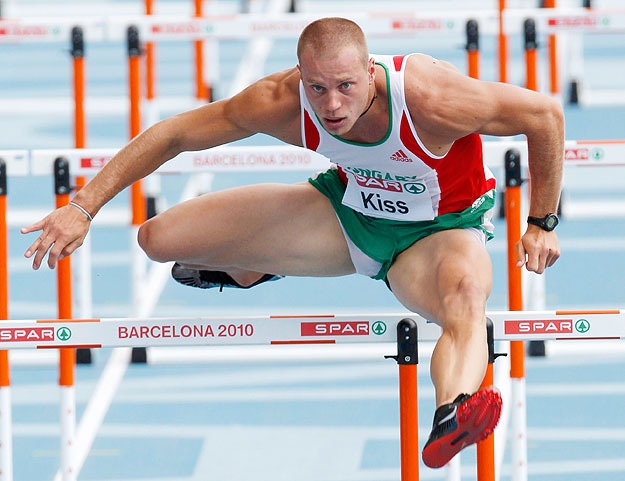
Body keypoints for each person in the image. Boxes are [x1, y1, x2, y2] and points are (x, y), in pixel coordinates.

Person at [22, 17, 563, 468]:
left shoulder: (432, 99)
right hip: (346, 214)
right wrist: (82, 206)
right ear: (300, 78)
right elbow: (172, 135)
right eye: (317, 87)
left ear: (370, 70)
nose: (330, 105)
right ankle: (251, 268)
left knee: (464, 300)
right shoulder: (280, 100)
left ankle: (453, 411)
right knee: (158, 239)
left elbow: (544, 116)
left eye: (346, 86)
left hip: (437, 233)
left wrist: (542, 221)